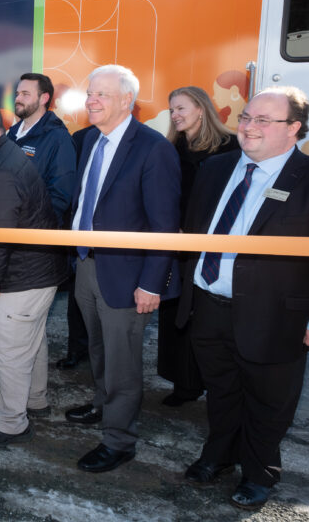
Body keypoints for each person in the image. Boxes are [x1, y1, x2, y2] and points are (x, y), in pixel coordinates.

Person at [176, 86, 309, 510]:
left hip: (275, 315)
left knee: (269, 403)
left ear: (295, 130)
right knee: (221, 391)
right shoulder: (216, 169)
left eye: (262, 121)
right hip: (209, 305)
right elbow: (194, 231)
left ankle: (259, 472)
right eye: (247, 117)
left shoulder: (306, 180)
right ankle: (219, 456)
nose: (248, 127)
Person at [66, 65, 181, 472]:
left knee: (123, 362)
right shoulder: (91, 142)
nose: (91, 100)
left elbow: (165, 224)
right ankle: (102, 404)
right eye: (90, 93)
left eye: (101, 95)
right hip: (87, 264)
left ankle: (119, 440)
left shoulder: (153, 148)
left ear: (126, 101)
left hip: (128, 276)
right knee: (98, 350)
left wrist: (152, 284)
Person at [0, 103, 68, 447]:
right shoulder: (2, 156)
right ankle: (35, 399)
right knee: (32, 341)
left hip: (21, 277)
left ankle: (11, 423)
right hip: (37, 272)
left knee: (9, 350)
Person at [157, 86, 240, 407]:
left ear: (201, 109)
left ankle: (214, 384)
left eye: (181, 109)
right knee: (176, 313)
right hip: (176, 244)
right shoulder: (168, 148)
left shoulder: (229, 147)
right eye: (172, 110)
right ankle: (184, 384)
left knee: (206, 316)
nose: (175, 115)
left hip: (214, 244)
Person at [6, 72, 76, 226]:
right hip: (4, 233)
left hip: (33, 241)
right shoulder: (9, 136)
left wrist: (33, 231)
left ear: (44, 98)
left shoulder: (59, 139)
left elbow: (60, 196)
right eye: (17, 94)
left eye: (25, 94)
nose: (17, 99)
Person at [56, 124, 97, 370]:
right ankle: (77, 349)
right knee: (77, 299)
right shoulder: (82, 138)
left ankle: (99, 354)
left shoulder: (144, 142)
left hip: (114, 246)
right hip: (78, 236)